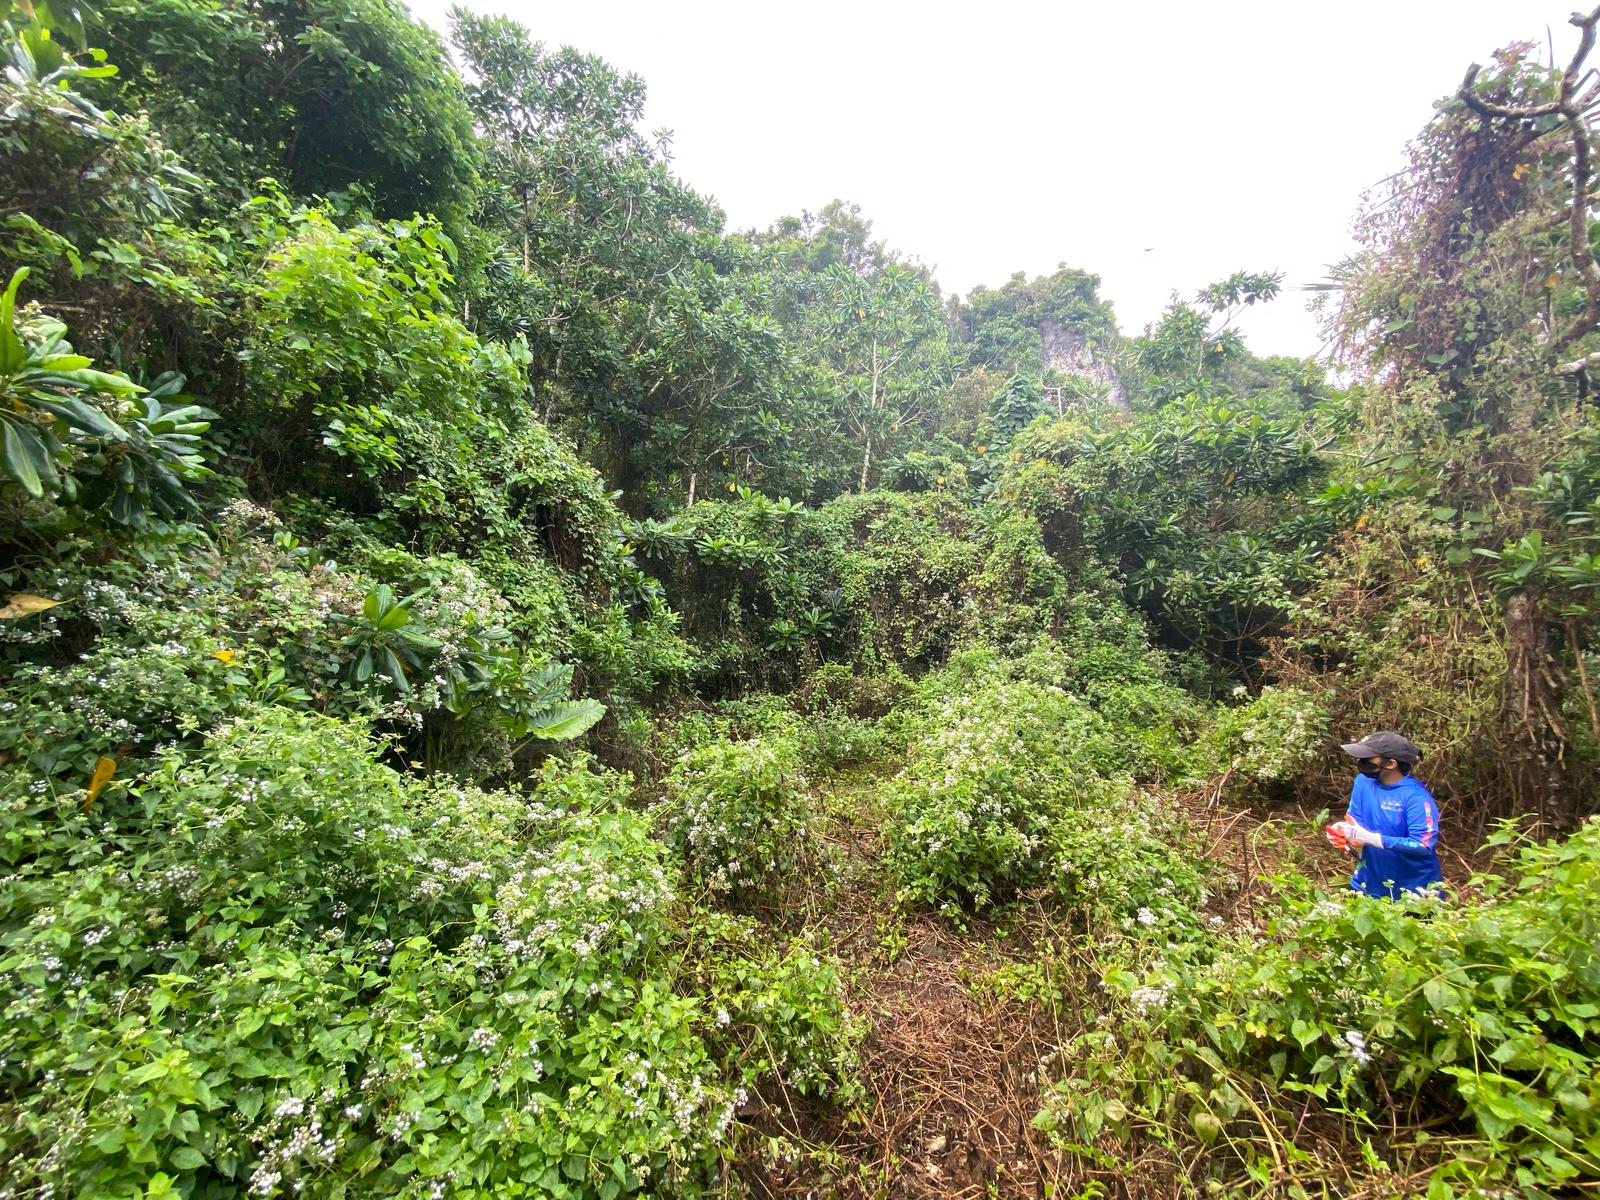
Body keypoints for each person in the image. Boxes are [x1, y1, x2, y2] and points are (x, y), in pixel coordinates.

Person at [1325, 731, 1443, 899]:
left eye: (1368, 758)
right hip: (1367, 883)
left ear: (1391, 764)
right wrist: (1343, 832)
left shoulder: (1415, 797)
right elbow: (1356, 823)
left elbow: (1422, 845)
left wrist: (1375, 839)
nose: (1361, 761)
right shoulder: (1362, 782)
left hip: (1415, 893)